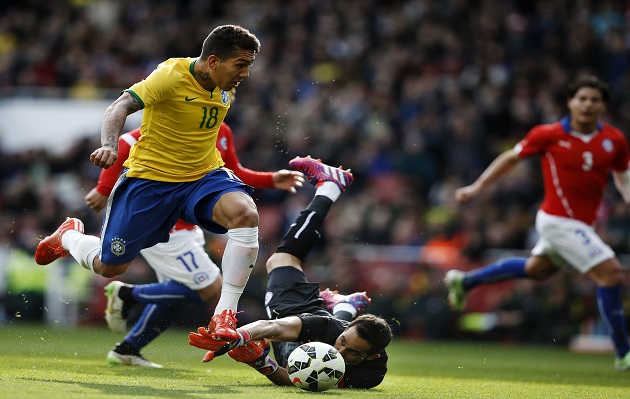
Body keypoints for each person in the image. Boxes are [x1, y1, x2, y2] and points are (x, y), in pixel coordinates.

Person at [35, 25, 261, 343]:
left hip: (201, 176)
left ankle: (224, 315)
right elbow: (119, 107)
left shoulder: (226, 86)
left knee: (245, 214)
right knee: (109, 267)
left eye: (248, 65)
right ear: (213, 61)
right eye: (241, 64)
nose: (246, 73)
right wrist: (110, 146)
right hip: (150, 183)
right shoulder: (170, 75)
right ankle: (69, 237)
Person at [445, 75, 630, 371]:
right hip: (557, 220)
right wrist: (476, 188)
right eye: (581, 98)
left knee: (536, 270)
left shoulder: (614, 140)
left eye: (595, 100)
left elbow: (623, 175)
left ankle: (465, 281)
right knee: (611, 274)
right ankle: (624, 353)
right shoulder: (548, 134)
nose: (587, 104)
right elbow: (510, 158)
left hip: (582, 224)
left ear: (603, 106)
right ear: (570, 102)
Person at [83, 123, 305, 367]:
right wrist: (104, 187)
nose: (230, 93)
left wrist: (271, 179)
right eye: (227, 88)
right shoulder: (186, 113)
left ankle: (128, 349)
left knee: (179, 291)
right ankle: (127, 294)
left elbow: (230, 171)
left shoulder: (223, 129)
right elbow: (126, 142)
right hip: (163, 224)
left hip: (189, 227)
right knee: (211, 288)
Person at [189, 156, 392, 389]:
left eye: (353, 353)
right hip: (302, 311)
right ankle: (329, 187)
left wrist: (261, 363)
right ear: (344, 329)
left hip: (316, 326)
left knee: (293, 356)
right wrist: (238, 337)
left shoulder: (371, 373)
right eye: (343, 341)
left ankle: (343, 306)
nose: (338, 350)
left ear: (372, 356)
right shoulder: (329, 328)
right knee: (281, 259)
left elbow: (304, 382)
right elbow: (272, 327)